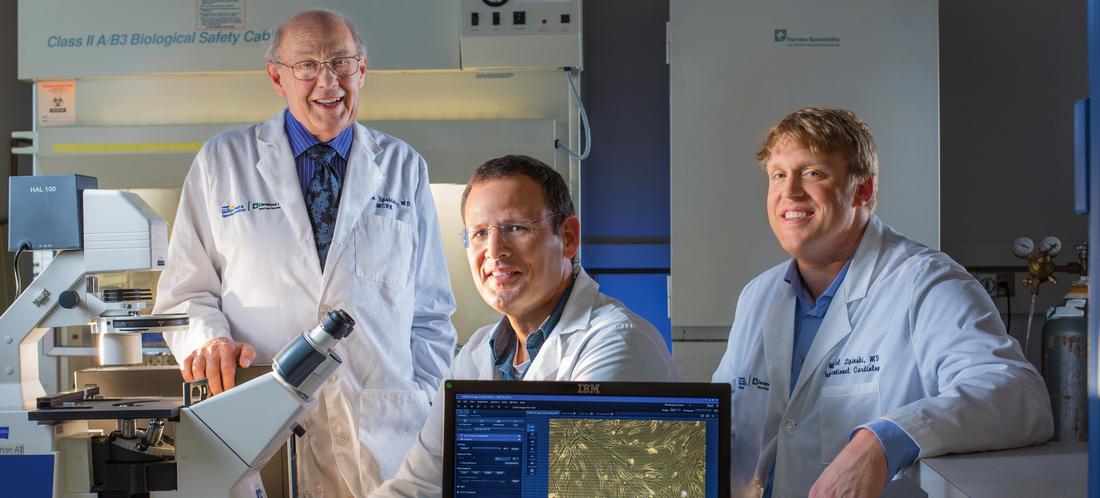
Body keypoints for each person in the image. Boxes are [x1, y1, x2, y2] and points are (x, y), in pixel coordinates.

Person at [153, 9, 457, 497]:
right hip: (261, 436)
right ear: (277, 76)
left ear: (363, 69)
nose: (328, 81)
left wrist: (418, 401)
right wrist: (208, 343)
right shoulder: (222, 162)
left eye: (341, 62)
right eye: (307, 66)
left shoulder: (403, 166)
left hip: (385, 441)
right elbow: (185, 295)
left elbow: (432, 315)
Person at [711, 108, 1052, 498]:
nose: (789, 192)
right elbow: (726, 426)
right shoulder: (759, 296)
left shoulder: (926, 283)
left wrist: (881, 441)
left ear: (864, 190)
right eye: (778, 175)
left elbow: (1019, 395)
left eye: (813, 173)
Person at [371, 154, 679, 497]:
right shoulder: (477, 354)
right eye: (479, 233)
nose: (494, 251)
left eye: (516, 228)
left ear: (569, 237)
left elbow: (571, 490)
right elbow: (419, 484)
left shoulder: (618, 344)